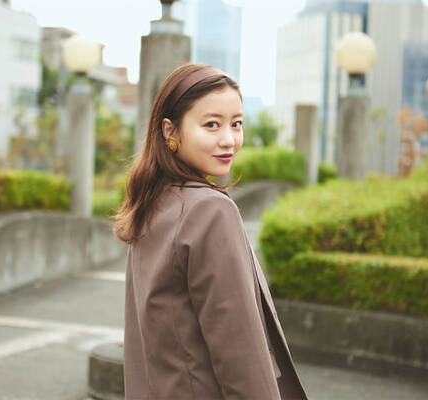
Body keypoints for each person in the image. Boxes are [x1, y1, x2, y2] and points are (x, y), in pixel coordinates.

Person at [112, 63, 308, 399]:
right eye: (211, 125)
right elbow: (240, 352)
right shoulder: (210, 210)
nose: (229, 140)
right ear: (171, 131)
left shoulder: (152, 203)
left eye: (237, 124)